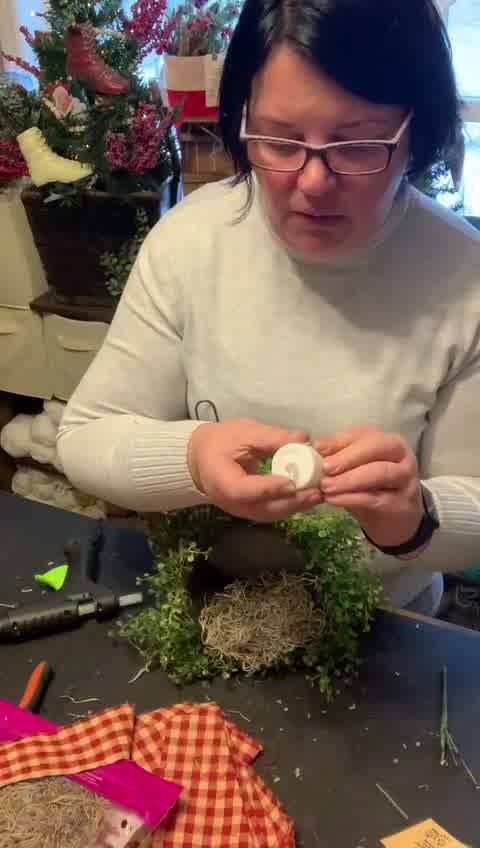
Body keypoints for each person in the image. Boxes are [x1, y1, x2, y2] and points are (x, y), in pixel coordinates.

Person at [58, 0, 480, 617]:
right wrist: (193, 458)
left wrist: (417, 517)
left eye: (357, 145)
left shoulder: (462, 277)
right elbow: (85, 437)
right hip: (211, 607)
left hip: (385, 626)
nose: (311, 182)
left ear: (415, 130)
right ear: (243, 118)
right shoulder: (193, 241)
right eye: (279, 140)